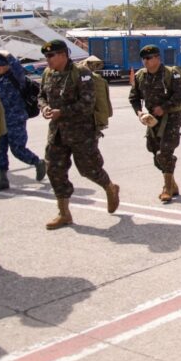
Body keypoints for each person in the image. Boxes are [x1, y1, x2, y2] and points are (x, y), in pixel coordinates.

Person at [39, 39, 120, 229]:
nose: (48, 59)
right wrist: (44, 108)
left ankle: (110, 187)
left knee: (89, 169)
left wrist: (62, 112)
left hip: (81, 132)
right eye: (46, 56)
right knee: (54, 170)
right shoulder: (47, 73)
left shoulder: (81, 74)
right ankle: (64, 213)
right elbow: (41, 95)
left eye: (51, 56)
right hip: (57, 132)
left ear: (63, 55)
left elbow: (87, 103)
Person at [128, 45, 181, 202]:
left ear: (157, 58)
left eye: (148, 58)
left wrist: (164, 107)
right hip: (152, 120)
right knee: (155, 154)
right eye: (143, 59)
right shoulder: (141, 76)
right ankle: (172, 183)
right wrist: (140, 113)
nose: (145, 61)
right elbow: (133, 98)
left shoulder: (170, 74)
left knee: (165, 152)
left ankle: (167, 188)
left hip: (171, 117)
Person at [0, 51, 46, 192]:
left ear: (8, 66)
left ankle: (38, 162)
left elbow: (17, 67)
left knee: (18, 149)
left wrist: (9, 56)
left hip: (15, 119)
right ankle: (2, 178)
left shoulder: (16, 77)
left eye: (1, 65)